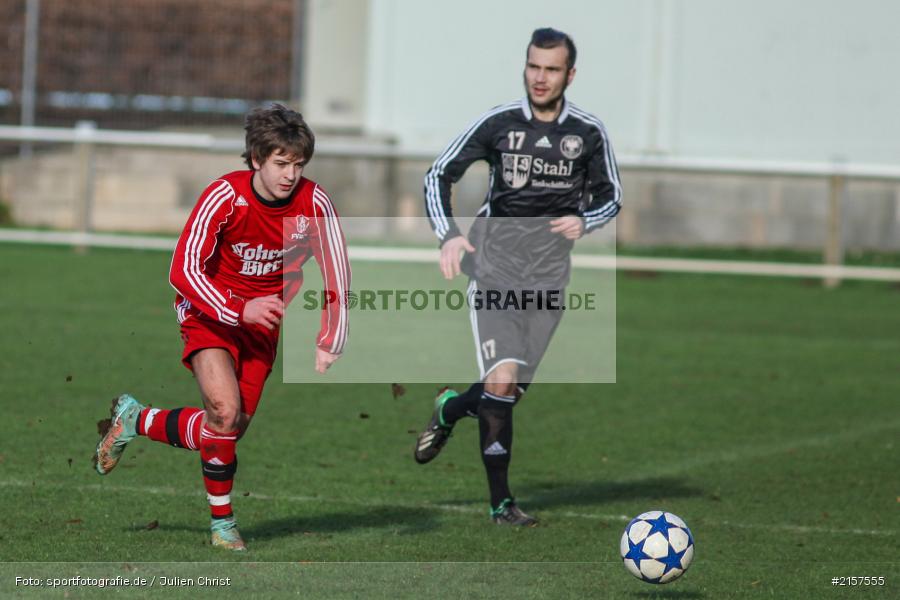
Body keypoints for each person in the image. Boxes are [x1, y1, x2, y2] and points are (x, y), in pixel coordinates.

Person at [93, 104, 350, 551]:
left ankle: (137, 418)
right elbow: (182, 270)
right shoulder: (224, 196)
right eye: (281, 163)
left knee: (228, 429)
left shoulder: (314, 203)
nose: (290, 175)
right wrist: (238, 309)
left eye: (298, 165)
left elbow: (337, 271)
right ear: (257, 158)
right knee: (224, 413)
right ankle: (223, 525)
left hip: (261, 326)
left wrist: (331, 338)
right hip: (208, 313)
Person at [415, 28, 622, 525]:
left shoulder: (588, 133)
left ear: (570, 74)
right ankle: (501, 503)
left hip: (548, 282)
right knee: (502, 382)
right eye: (533, 66)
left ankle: (449, 409)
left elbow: (611, 196)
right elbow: (438, 174)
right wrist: (449, 236)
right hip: (494, 271)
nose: (540, 77)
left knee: (507, 393)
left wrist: (585, 220)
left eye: (551, 69)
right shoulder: (500, 123)